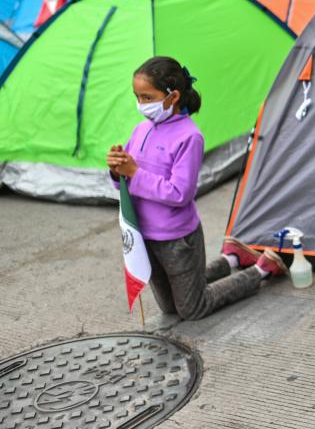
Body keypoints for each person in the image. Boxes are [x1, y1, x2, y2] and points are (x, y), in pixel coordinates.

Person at [106, 56, 287, 321]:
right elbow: (126, 181)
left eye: (147, 97)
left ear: (173, 96)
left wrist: (134, 172)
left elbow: (180, 193)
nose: (141, 104)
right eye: (138, 97)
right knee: (170, 308)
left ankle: (261, 270)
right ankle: (232, 260)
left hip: (177, 239)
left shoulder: (189, 137)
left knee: (192, 308)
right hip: (145, 235)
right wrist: (116, 169)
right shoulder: (140, 129)